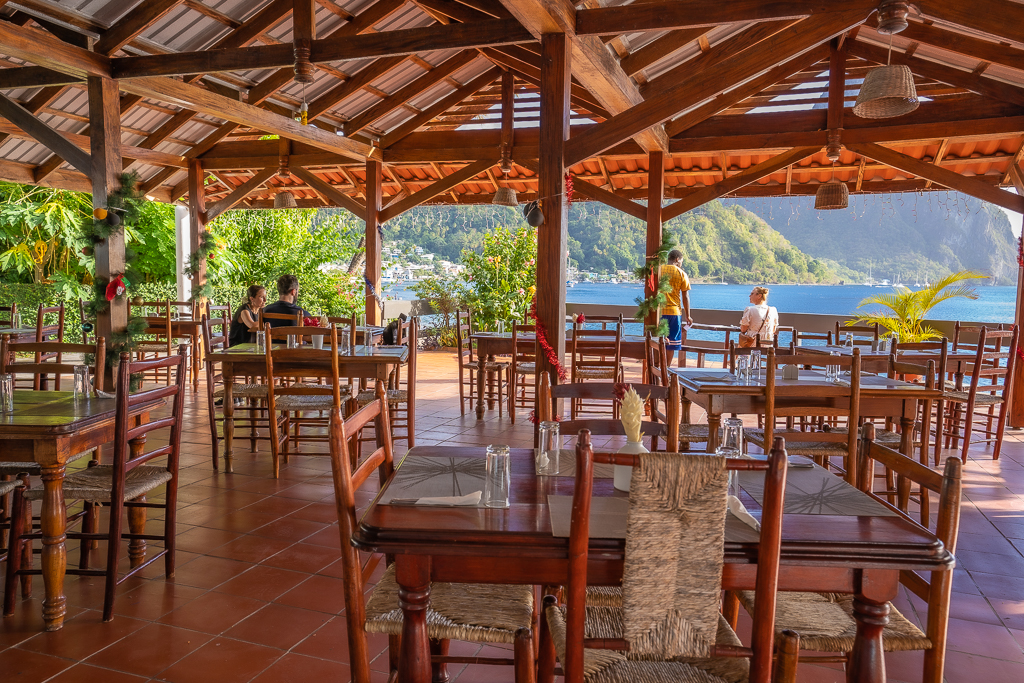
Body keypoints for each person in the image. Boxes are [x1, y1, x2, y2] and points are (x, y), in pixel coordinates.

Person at [659, 249, 692, 366]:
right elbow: (685, 296)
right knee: (671, 345)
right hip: (674, 312)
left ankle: (656, 367)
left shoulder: (659, 270)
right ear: (677, 259)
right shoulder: (681, 273)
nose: (681, 264)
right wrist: (688, 315)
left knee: (658, 342)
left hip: (659, 312)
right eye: (681, 261)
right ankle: (666, 369)